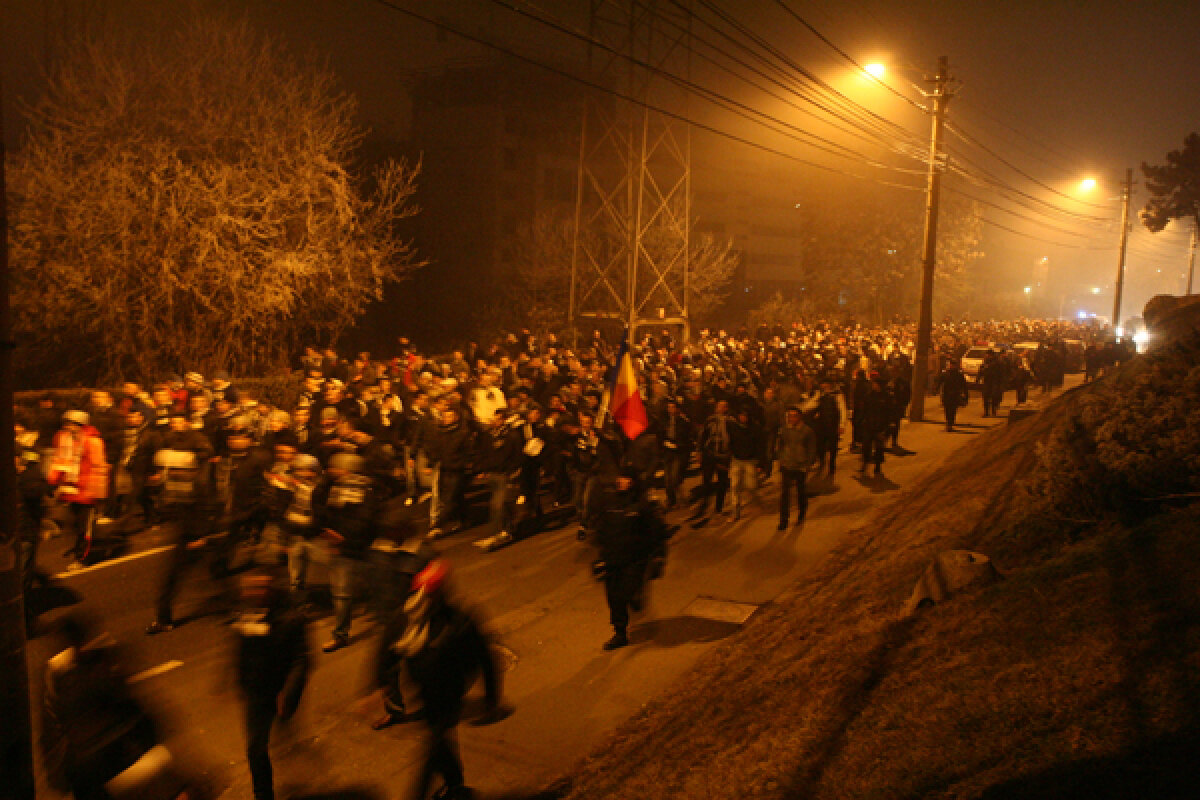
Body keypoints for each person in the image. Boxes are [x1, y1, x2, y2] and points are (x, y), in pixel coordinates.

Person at [380, 561, 505, 800]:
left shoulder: (458, 621)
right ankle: (455, 784)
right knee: (441, 740)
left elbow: (484, 658)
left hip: (450, 691)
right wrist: (384, 686)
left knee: (435, 742)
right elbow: (387, 650)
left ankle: (421, 793)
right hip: (423, 692)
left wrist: (491, 697)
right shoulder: (409, 618)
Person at [41, 612, 190, 800]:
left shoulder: (59, 677)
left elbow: (53, 729)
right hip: (121, 755)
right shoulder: (104, 664)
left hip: (94, 765)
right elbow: (134, 707)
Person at [232, 567, 311, 800]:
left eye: (260, 588)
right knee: (255, 748)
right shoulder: (245, 612)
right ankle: (263, 794)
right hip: (256, 693)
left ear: (271, 589)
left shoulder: (290, 617)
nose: (254, 593)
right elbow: (241, 647)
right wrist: (237, 679)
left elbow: (301, 659)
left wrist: (289, 692)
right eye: (250, 588)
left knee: (281, 733)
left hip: (279, 690)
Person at [595, 467, 669, 650]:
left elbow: (657, 531)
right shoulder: (610, 502)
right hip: (613, 558)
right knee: (614, 597)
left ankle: (635, 598)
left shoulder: (642, 505)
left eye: (626, 478)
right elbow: (601, 529)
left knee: (628, 591)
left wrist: (659, 556)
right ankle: (620, 633)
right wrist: (600, 556)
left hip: (634, 559)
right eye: (620, 477)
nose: (621, 481)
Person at [316, 452, 379, 652]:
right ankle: (340, 635)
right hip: (344, 548)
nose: (331, 471)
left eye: (336, 467)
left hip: (358, 547)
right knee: (342, 594)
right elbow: (329, 513)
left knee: (359, 589)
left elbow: (364, 520)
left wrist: (343, 537)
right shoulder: (335, 488)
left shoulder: (365, 490)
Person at [47, 410, 110, 569]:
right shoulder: (64, 439)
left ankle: (82, 559)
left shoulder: (93, 442)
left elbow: (99, 468)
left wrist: (97, 493)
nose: (67, 427)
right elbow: (60, 462)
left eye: (70, 424)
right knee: (75, 526)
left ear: (80, 425)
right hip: (71, 491)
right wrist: (52, 482)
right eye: (66, 423)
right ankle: (82, 550)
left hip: (87, 492)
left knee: (85, 528)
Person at [775, 406, 817, 529]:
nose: (791, 418)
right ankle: (784, 520)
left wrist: (808, 464)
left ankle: (801, 514)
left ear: (799, 417)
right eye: (789, 416)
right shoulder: (784, 430)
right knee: (785, 494)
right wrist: (781, 459)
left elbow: (812, 449)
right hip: (787, 465)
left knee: (801, 492)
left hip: (800, 466)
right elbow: (780, 445)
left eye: (794, 416)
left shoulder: (807, 431)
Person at [936, 360, 970, 432]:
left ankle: (950, 424)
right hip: (947, 395)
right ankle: (949, 424)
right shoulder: (946, 374)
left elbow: (964, 386)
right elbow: (939, 382)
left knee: (952, 410)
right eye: (951, 365)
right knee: (948, 410)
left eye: (953, 365)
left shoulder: (958, 375)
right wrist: (936, 389)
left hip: (954, 395)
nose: (952, 366)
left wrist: (966, 395)